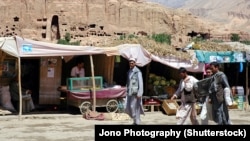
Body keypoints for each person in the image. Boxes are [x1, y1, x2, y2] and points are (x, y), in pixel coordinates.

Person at [125, 58, 144, 125]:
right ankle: (135, 121)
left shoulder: (138, 72)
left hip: (135, 93)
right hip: (130, 92)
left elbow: (141, 83)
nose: (131, 64)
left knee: (134, 106)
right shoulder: (129, 71)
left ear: (135, 63)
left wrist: (140, 93)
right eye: (130, 63)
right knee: (129, 106)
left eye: (132, 63)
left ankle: (136, 121)